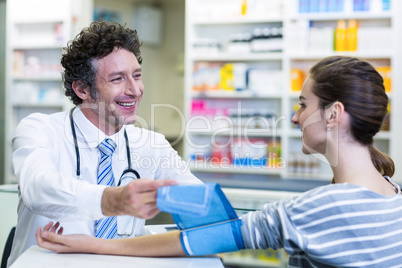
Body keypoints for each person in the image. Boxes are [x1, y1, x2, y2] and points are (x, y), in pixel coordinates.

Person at [36, 56, 402, 267]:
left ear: (335, 114)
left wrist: (94, 244)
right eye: (118, 78)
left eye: (304, 104)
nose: (294, 117)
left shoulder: (320, 208)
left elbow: (210, 237)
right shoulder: (393, 194)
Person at [8, 21, 202, 267]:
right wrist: (113, 200)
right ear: (82, 88)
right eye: (117, 79)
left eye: (137, 75)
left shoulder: (152, 144)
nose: (135, 90)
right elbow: (38, 189)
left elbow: (201, 206)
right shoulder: (40, 130)